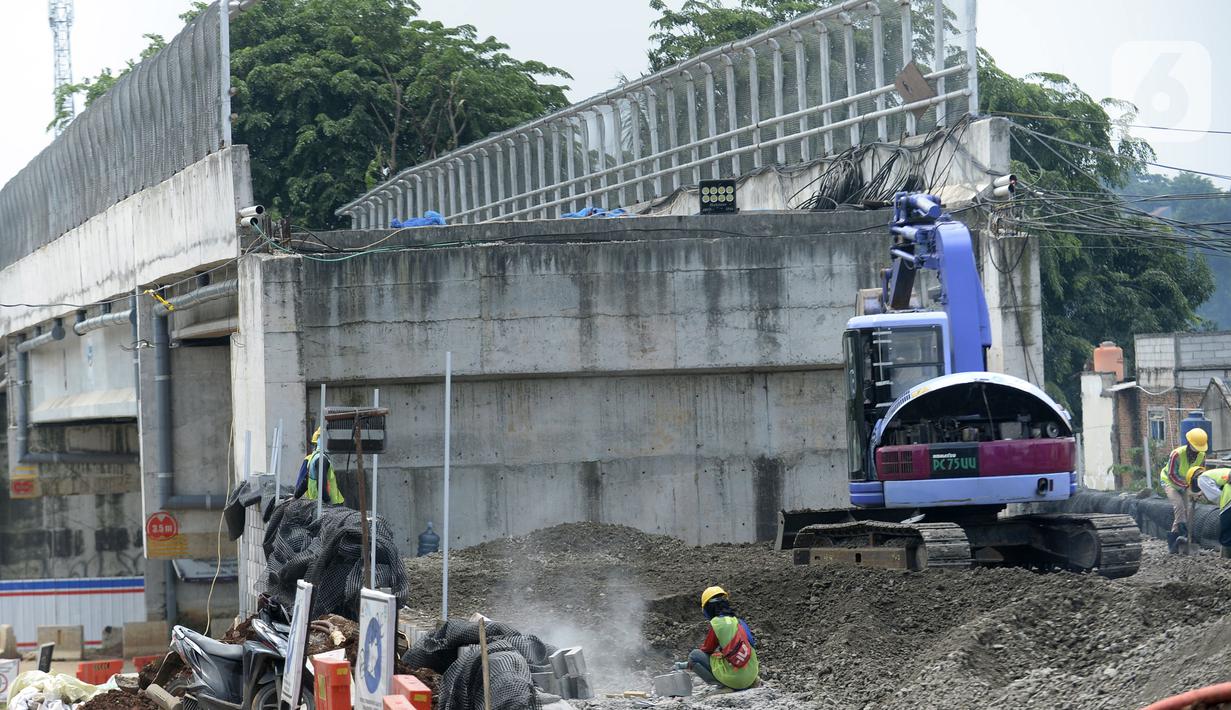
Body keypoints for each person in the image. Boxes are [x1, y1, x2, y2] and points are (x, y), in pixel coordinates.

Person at [682, 586, 759, 691]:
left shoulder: (716, 624)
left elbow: (707, 650)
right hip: (751, 676)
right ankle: (751, 681)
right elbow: (751, 645)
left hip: (737, 680)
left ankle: (725, 685)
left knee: (694, 656)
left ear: (708, 608)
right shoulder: (739, 621)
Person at [1161, 429, 1207, 554]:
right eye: (1195, 446)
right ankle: (1182, 536)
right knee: (1179, 507)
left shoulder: (1202, 456)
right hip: (1170, 482)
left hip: (1186, 484)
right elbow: (1171, 474)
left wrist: (1199, 490)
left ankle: (1176, 544)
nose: (1197, 450)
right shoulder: (1176, 454)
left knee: (1187, 512)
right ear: (1189, 443)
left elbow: (1200, 474)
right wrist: (1187, 488)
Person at [293, 428, 344, 504]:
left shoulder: (313, 459)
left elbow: (306, 481)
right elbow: (321, 482)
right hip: (331, 505)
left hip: (316, 504)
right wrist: (326, 500)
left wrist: (296, 496)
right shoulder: (321, 459)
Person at [1191, 465, 1231, 558]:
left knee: (1227, 531)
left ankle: (1227, 559)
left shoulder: (1201, 479)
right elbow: (1218, 485)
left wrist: (1221, 504)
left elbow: (1215, 496)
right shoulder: (1215, 473)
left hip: (1228, 501)